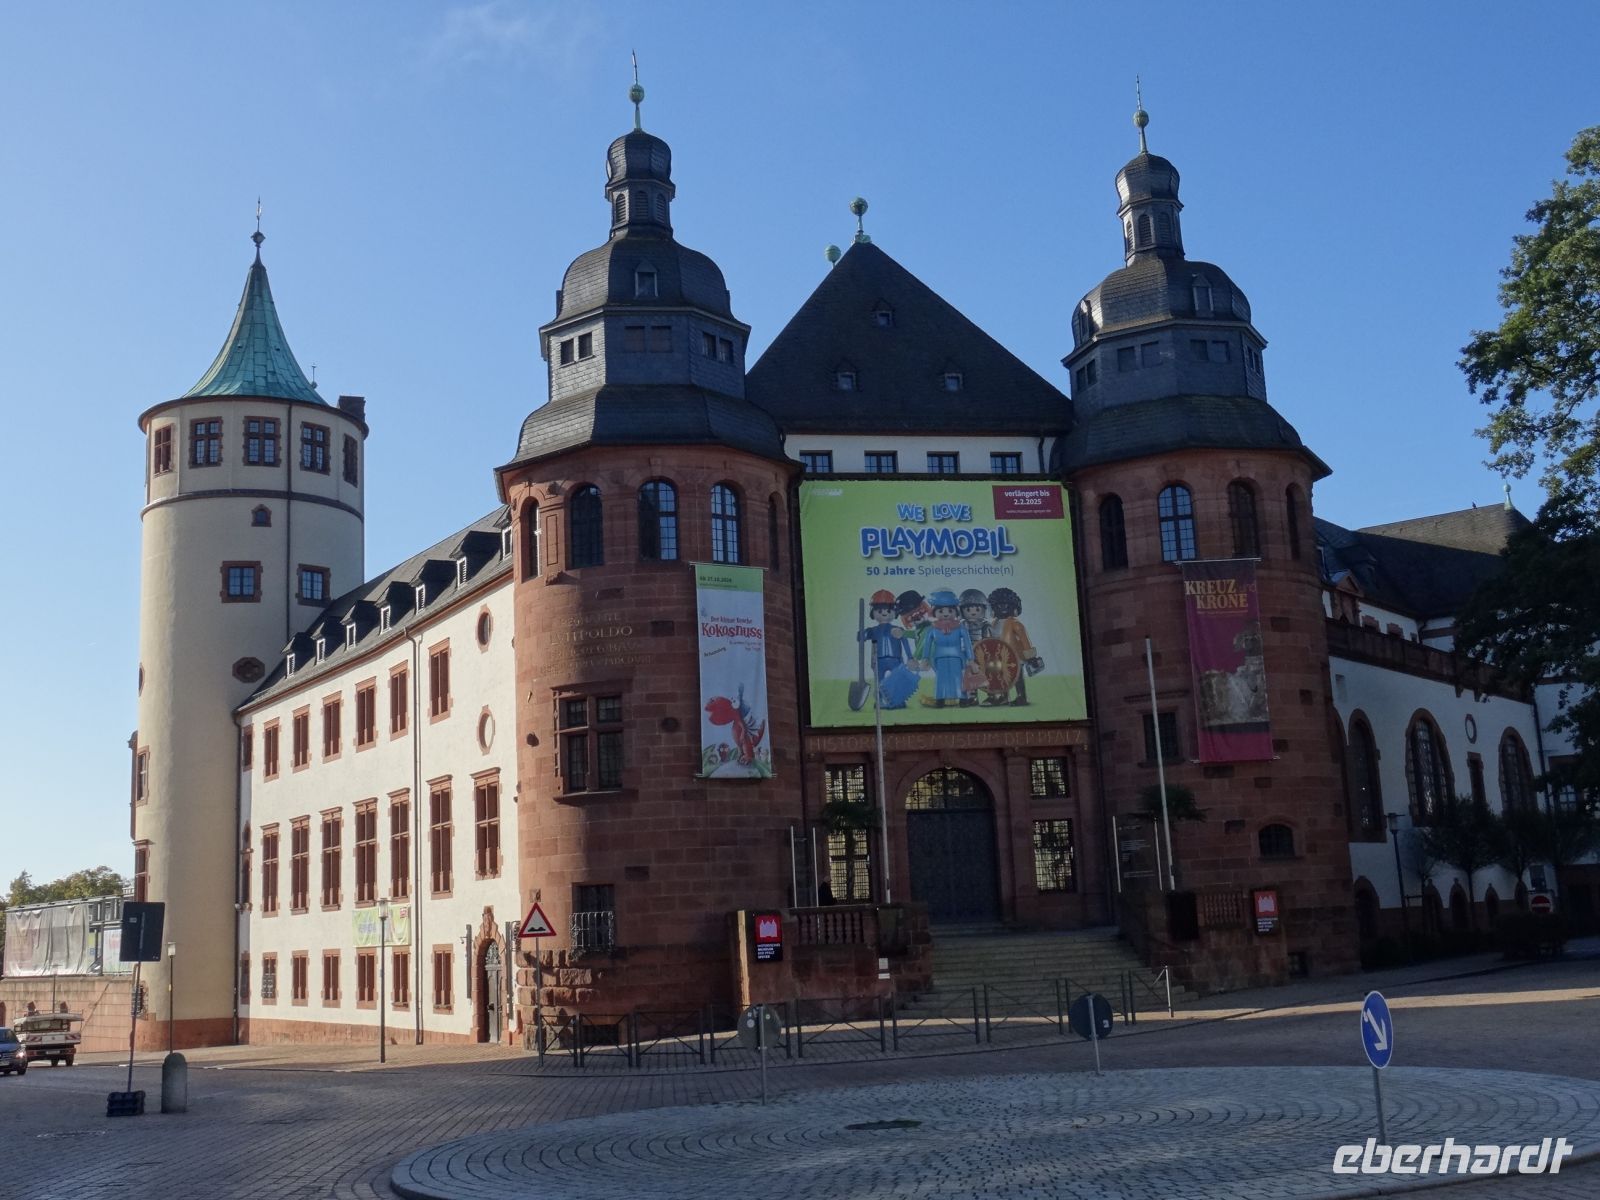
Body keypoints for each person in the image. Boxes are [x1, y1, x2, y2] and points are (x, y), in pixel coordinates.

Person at [987, 587, 1043, 706]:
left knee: (1017, 677)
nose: (1003, 608)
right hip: (999, 657)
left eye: (1006, 605)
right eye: (999, 605)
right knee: (1001, 677)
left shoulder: (1015, 624)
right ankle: (1003, 697)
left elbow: (1024, 639)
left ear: (1014, 607)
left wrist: (1030, 656)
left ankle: (1021, 697)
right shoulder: (993, 624)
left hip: (1015, 656)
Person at [922, 589, 973, 707]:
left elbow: (967, 643)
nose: (945, 614)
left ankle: (962, 698)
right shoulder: (932, 629)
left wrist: (971, 658)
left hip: (957, 657)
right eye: (941, 611)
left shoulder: (960, 628)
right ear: (934, 612)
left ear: (955, 611)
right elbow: (927, 644)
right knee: (941, 678)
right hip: (939, 657)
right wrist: (925, 658)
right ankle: (940, 698)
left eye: (950, 610)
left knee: (958, 677)